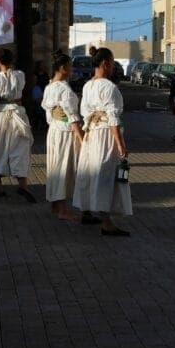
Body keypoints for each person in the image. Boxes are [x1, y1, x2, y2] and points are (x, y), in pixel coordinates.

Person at [73, 47, 132, 236]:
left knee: (89, 173)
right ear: (106, 63)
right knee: (105, 176)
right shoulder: (109, 87)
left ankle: (86, 211)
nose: (114, 66)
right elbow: (113, 118)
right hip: (106, 135)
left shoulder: (88, 85)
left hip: (92, 133)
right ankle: (106, 222)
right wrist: (121, 144)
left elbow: (84, 113)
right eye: (113, 62)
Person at [0, 48, 36, 203]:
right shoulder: (20, 76)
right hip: (18, 114)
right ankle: (23, 185)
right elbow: (11, 77)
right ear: (12, 60)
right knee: (20, 149)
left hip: (0, 115)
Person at [42, 51, 84, 220]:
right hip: (65, 133)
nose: (72, 69)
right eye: (70, 66)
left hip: (53, 130)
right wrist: (81, 137)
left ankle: (55, 203)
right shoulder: (64, 89)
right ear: (63, 68)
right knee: (64, 168)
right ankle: (62, 208)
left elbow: (48, 112)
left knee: (55, 166)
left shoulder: (49, 86)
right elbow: (72, 116)